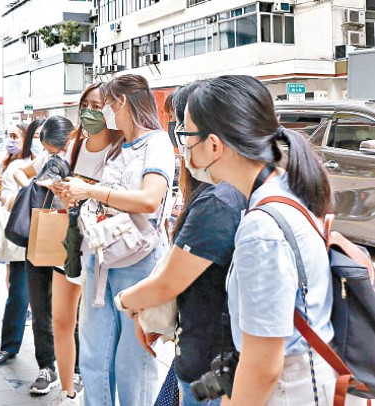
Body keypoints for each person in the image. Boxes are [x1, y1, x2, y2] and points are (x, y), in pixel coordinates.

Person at [183, 75, 342, 405]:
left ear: (213, 145)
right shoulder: (285, 191)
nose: (183, 150)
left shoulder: (261, 229)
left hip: (286, 391)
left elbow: (263, 366)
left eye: (186, 138)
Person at [116, 81, 247, 406]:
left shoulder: (219, 201)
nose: (179, 139)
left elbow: (168, 282)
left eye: (183, 127)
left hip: (210, 364)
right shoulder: (238, 191)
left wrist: (127, 302)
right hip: (205, 352)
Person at [61, 74, 175, 406]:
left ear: (121, 103)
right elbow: (109, 199)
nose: (106, 113)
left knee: (132, 364)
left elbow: (151, 199)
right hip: (101, 258)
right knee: (94, 359)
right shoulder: (118, 147)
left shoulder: (156, 144)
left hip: (138, 263)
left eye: (107, 105)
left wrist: (92, 190)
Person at [49, 82, 122, 405]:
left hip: (104, 248)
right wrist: (64, 192)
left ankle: (101, 393)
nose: (91, 112)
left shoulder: (121, 149)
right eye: (86, 105)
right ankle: (68, 392)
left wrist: (86, 190)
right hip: (70, 241)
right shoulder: (73, 145)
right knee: (62, 320)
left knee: (100, 332)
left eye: (98, 106)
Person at [13, 116, 75, 395]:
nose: (53, 152)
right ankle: (48, 366)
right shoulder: (47, 160)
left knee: (63, 312)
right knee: (42, 309)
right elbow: (22, 174)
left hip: (66, 240)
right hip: (43, 237)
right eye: (49, 148)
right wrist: (30, 187)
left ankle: (70, 369)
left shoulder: (78, 158)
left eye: (54, 147)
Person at [0, 121, 34, 367]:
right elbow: (5, 195)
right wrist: (1, 193)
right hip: (16, 232)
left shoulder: (33, 162)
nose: (11, 140)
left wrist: (8, 198)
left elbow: (29, 195)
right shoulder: (7, 162)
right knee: (16, 291)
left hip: (32, 232)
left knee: (23, 292)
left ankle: (49, 361)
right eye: (9, 135)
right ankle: (9, 345)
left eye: (16, 135)